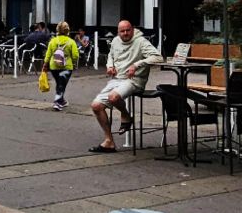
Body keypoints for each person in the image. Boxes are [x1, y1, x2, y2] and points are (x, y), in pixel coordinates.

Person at [90, 20, 162, 152]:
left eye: (128, 30)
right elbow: (111, 55)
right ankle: (109, 141)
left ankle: (126, 115)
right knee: (96, 106)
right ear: (118, 32)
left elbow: (158, 57)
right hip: (117, 79)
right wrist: (110, 66)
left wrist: (137, 65)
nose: (125, 33)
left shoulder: (141, 41)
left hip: (134, 80)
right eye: (122, 31)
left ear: (132, 29)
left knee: (113, 97)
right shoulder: (115, 41)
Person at [43, 22, 81, 111]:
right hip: (66, 67)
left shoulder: (53, 41)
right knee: (61, 84)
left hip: (54, 66)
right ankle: (57, 102)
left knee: (60, 83)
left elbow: (48, 54)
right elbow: (75, 55)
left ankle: (62, 100)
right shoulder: (71, 42)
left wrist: (45, 64)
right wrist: (74, 63)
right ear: (68, 30)